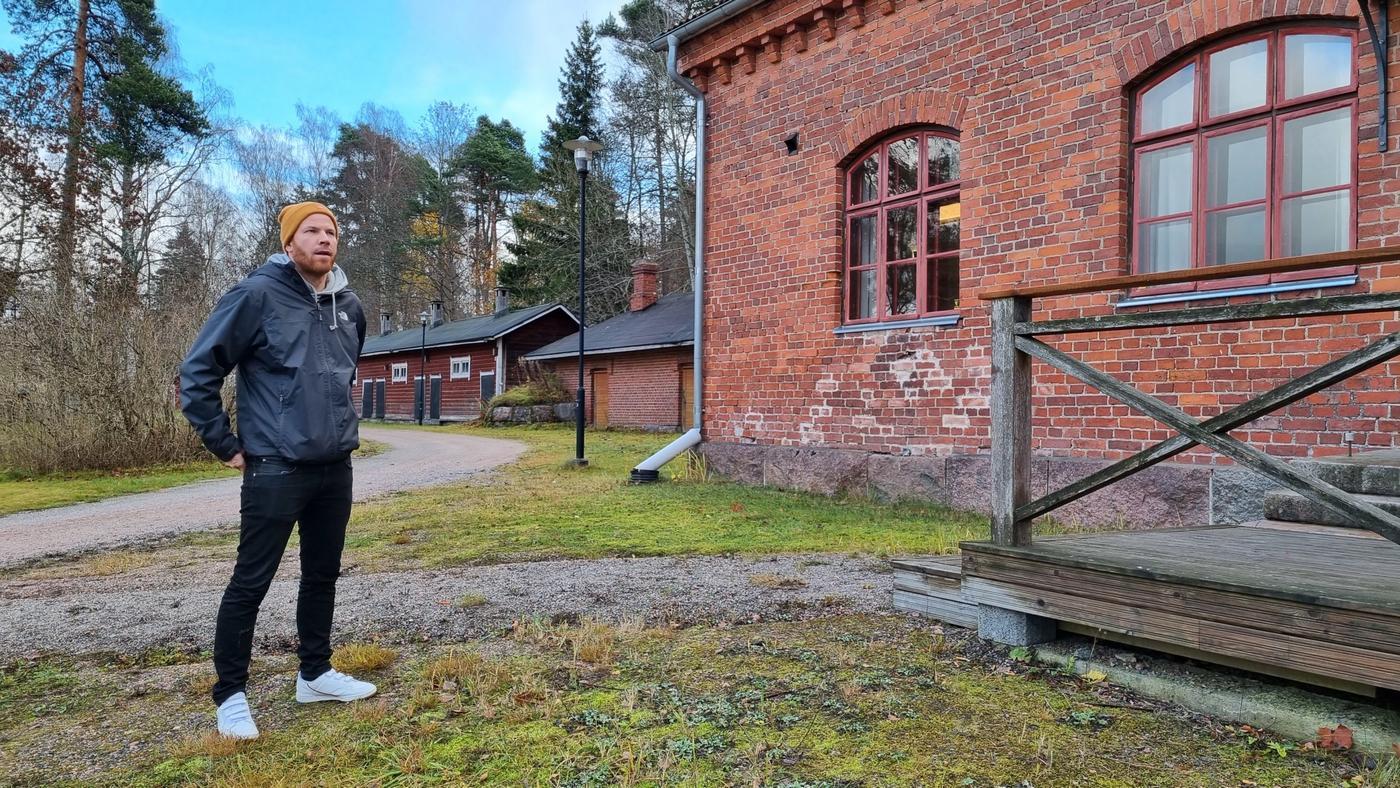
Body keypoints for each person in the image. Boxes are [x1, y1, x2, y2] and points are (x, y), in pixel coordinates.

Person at [180, 202, 375, 740]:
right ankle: (231, 696)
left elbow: (342, 375)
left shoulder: (349, 304)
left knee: (322, 575)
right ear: (289, 242)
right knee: (251, 581)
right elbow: (197, 372)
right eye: (311, 231)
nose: (324, 239)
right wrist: (224, 443)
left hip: (335, 466)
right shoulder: (255, 295)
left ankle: (314, 674)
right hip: (274, 467)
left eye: (331, 231)